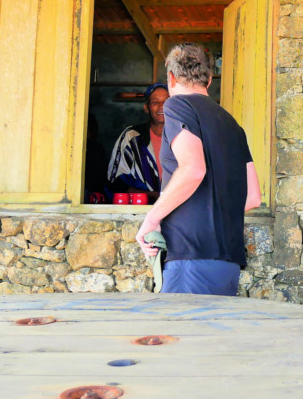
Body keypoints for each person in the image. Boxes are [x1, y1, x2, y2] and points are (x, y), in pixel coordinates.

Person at [135, 43, 261, 296]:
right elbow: (252, 197)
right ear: (210, 78)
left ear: (170, 77)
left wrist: (152, 219)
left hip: (190, 255)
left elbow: (193, 170)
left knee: (182, 334)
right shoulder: (232, 125)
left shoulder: (178, 106)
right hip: (228, 261)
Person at [106, 82, 169, 200]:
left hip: (178, 210)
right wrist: (152, 196)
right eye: (155, 102)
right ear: (146, 108)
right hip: (140, 208)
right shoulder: (132, 137)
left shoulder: (183, 136)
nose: (162, 106)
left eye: (167, 101)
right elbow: (114, 181)